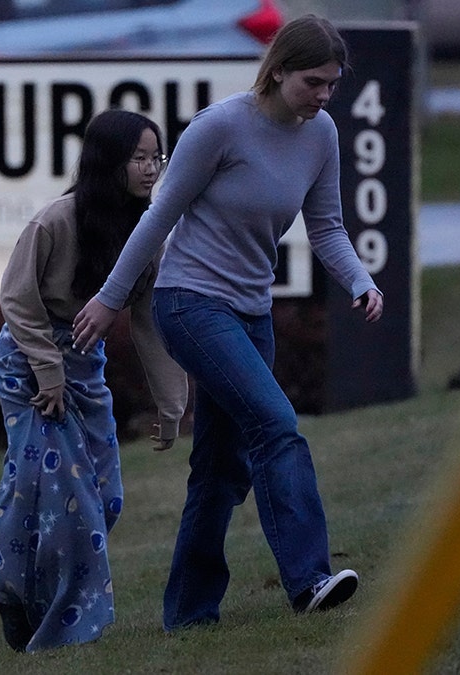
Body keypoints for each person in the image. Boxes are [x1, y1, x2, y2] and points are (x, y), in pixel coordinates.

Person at [72, 15, 385, 632]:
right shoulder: (219, 127)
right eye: (313, 82)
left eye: (333, 84)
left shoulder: (321, 133)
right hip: (190, 303)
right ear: (277, 72)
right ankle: (310, 579)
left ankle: (188, 614)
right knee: (276, 424)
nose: (324, 95)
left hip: (251, 310)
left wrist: (359, 280)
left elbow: (326, 226)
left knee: (221, 467)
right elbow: (159, 217)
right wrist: (110, 298)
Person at [0, 109, 189, 652]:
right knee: (67, 499)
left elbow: (148, 321)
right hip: (27, 367)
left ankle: (10, 587)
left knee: (104, 498)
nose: (152, 169)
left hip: (84, 369)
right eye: (140, 158)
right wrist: (47, 371)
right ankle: (65, 630)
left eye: (157, 157)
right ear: (108, 161)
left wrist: (171, 407)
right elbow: (15, 298)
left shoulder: (145, 232)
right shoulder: (55, 221)